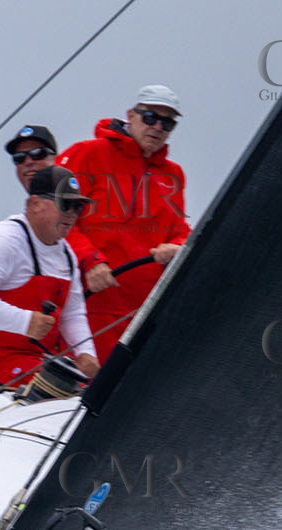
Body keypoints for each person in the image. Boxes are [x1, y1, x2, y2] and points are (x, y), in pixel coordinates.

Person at [56, 85, 190, 361]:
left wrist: (176, 248)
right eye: (150, 117)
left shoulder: (173, 175)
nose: (157, 127)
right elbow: (56, 216)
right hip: (86, 303)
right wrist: (89, 260)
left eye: (167, 123)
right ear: (131, 115)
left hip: (138, 315)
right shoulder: (88, 153)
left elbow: (180, 232)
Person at [0, 166, 99, 391]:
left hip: (32, 361)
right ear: (35, 204)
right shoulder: (5, 238)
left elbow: (73, 314)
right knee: (63, 396)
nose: (72, 213)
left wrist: (86, 353)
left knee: (88, 395)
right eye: (65, 204)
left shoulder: (67, 254)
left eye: (78, 206)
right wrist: (24, 322)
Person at [3, 125, 105, 292]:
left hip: (100, 292)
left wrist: (91, 261)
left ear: (55, 158)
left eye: (38, 154)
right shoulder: (8, 231)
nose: (28, 162)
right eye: (19, 158)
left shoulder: (75, 192)